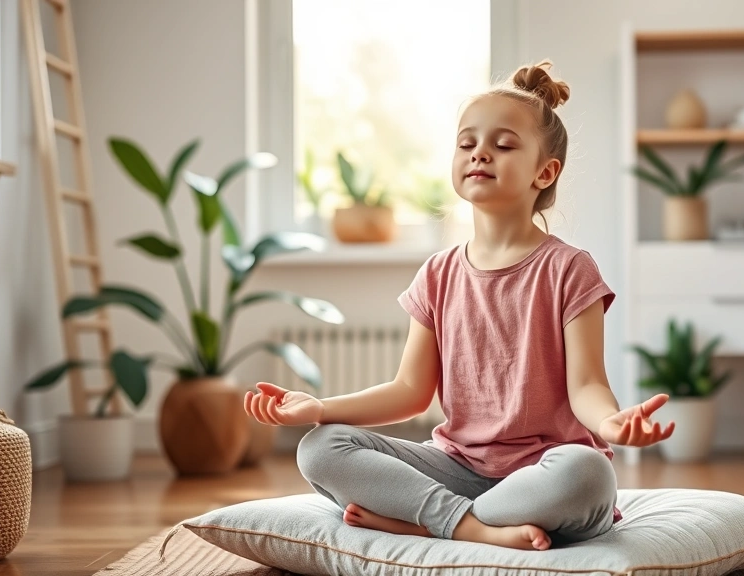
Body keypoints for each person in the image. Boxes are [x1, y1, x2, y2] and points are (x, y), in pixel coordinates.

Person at [244, 60, 675, 551]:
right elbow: (409, 391)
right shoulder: (437, 273)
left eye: (503, 144)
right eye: (467, 143)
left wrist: (609, 424)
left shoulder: (570, 269)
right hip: (456, 470)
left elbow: (587, 385)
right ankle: (472, 528)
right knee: (321, 447)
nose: (480, 154)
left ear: (544, 172)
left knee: (588, 472)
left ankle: (426, 522)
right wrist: (320, 408)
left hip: (545, 476)